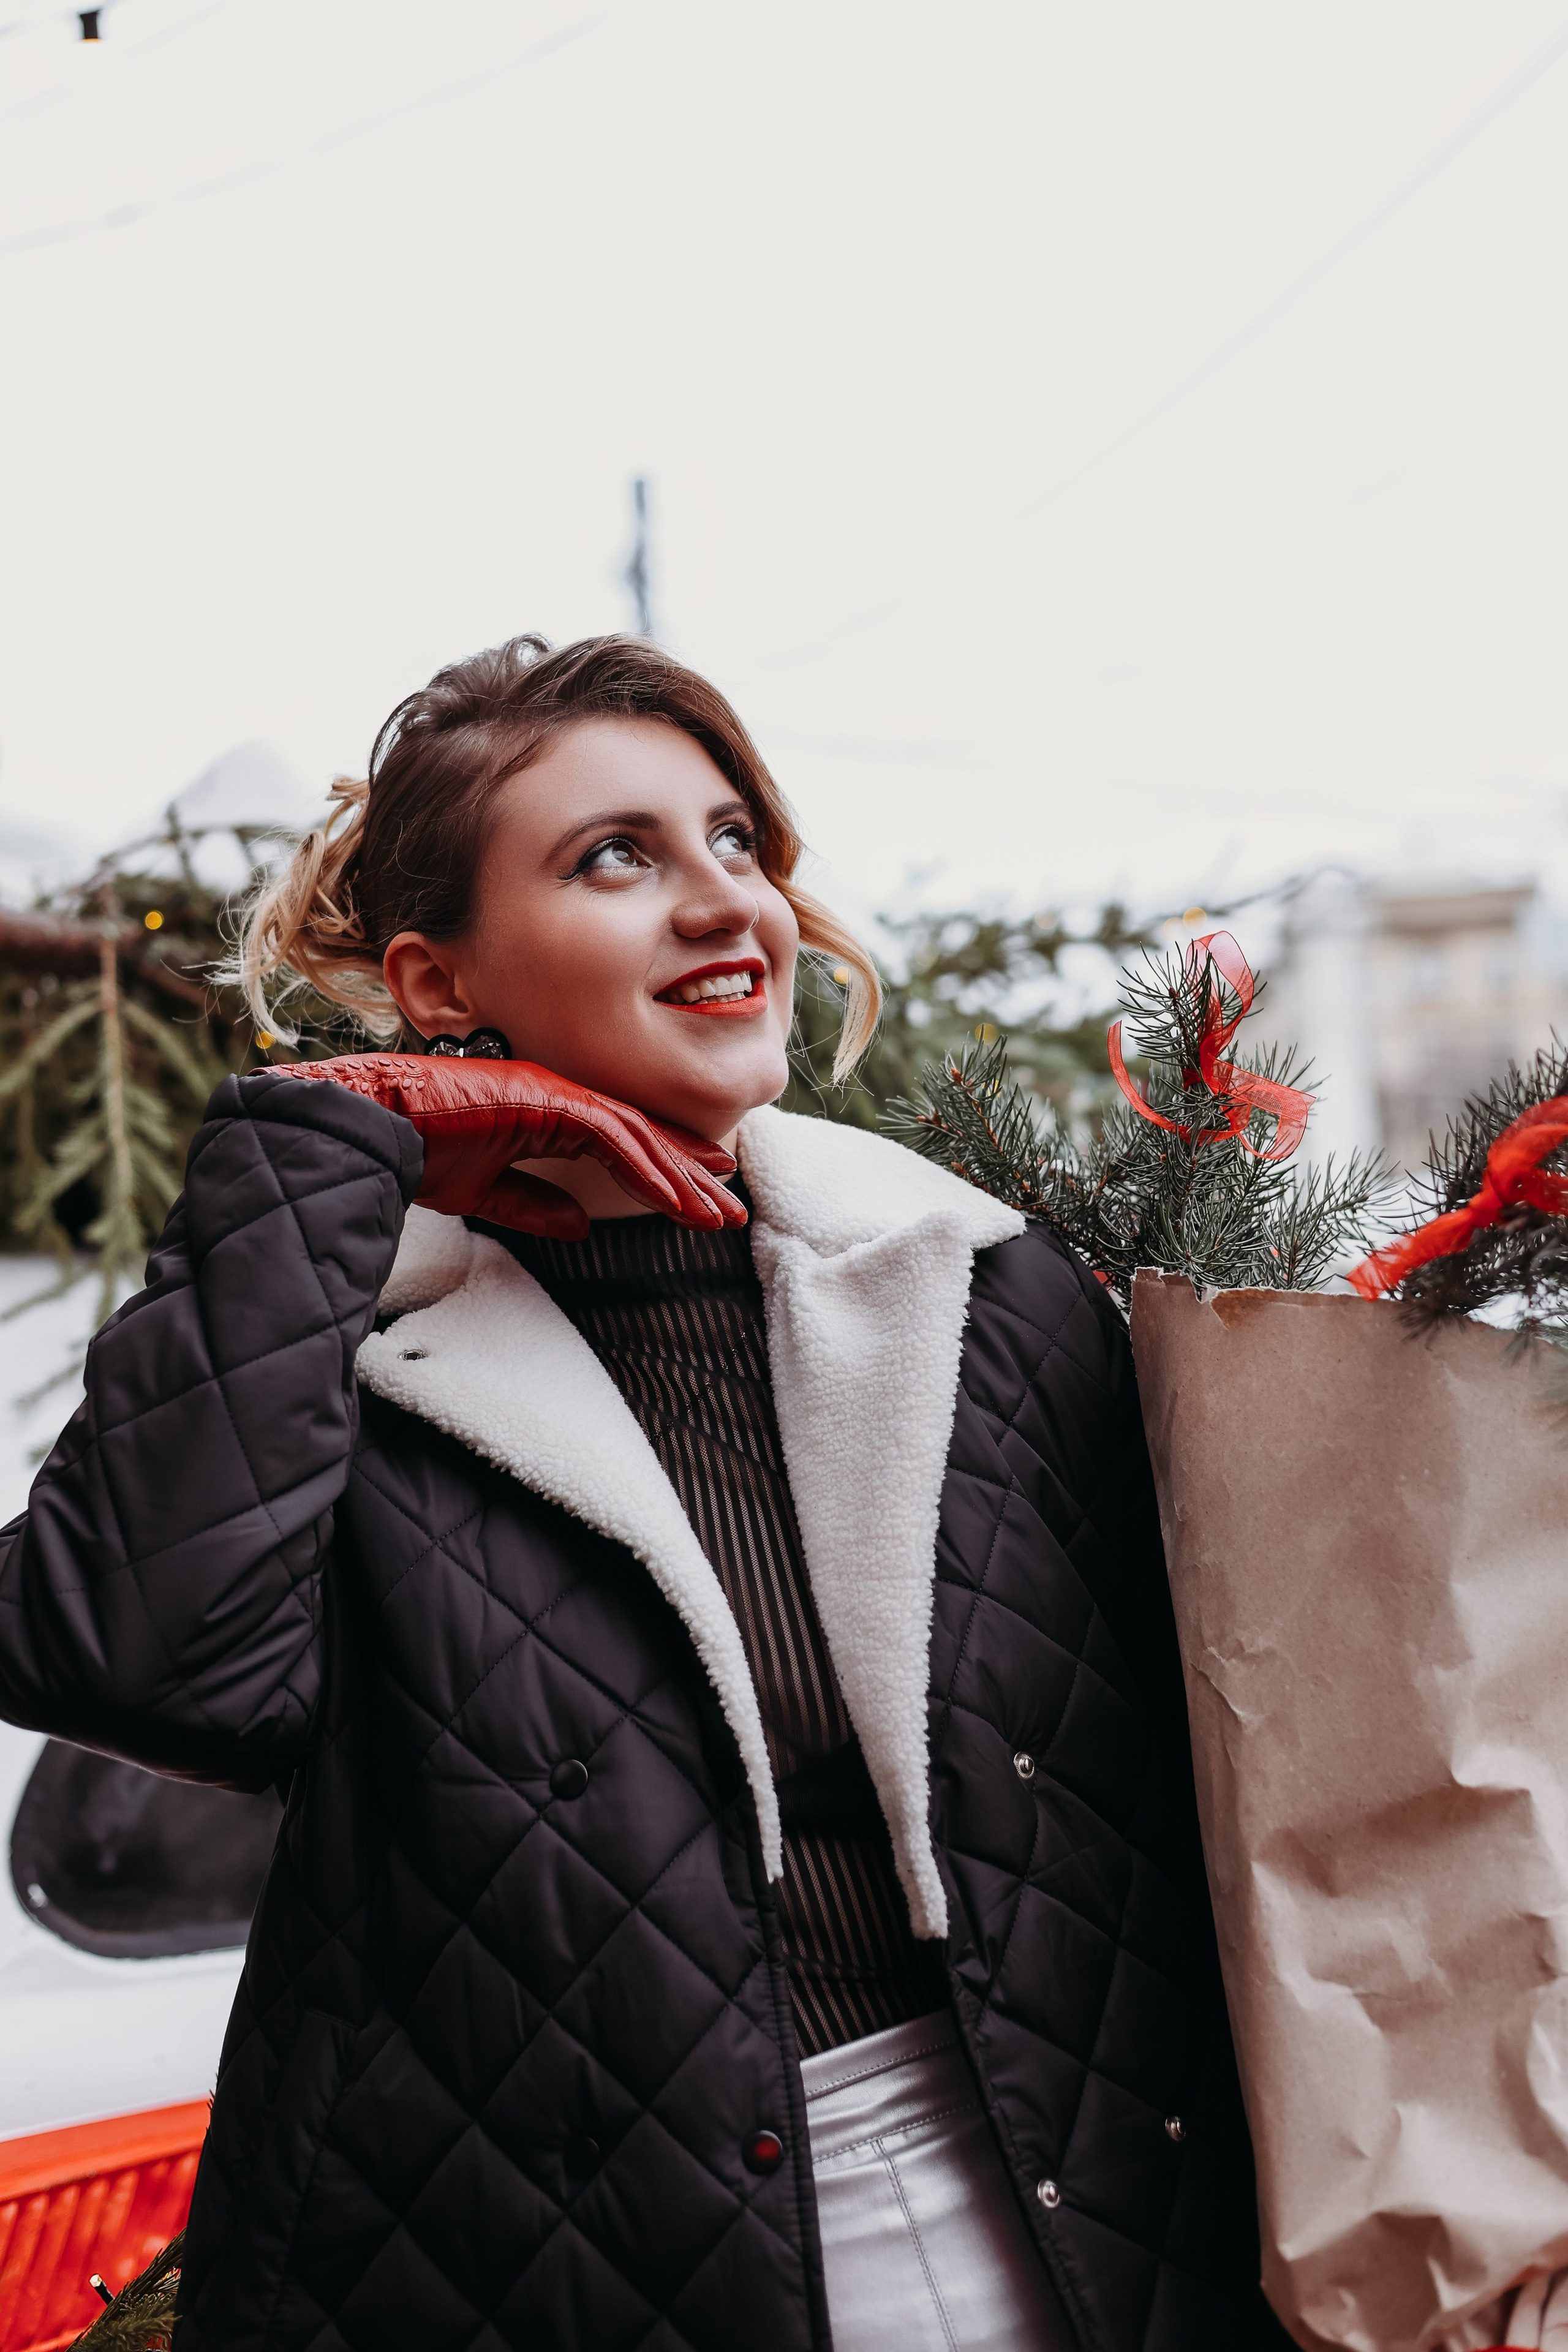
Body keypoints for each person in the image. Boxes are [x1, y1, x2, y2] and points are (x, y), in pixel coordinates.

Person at [0, 635, 1291, 2351]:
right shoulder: (345, 1348)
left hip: (1074, 2233)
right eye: (616, 857)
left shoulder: (973, 1287)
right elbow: (132, 1663)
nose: (721, 902)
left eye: (736, 842)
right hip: (550, 2268)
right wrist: (332, 1141)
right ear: (436, 979)